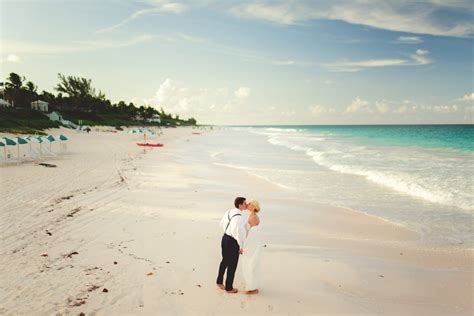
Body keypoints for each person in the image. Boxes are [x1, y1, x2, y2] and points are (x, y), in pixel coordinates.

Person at [216, 197, 247, 293]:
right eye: (245, 203)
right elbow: (237, 232)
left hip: (224, 238)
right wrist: (241, 246)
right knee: (232, 265)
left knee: (224, 261)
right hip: (232, 242)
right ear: (240, 204)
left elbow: (222, 223)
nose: (246, 204)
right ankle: (229, 288)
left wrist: (227, 233)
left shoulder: (229, 211)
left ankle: (219, 281)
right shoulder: (239, 217)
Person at [241, 200, 262, 294]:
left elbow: (251, 234)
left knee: (249, 263)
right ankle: (251, 285)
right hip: (250, 243)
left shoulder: (253, 217)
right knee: (249, 263)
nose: (247, 205)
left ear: (253, 207)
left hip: (251, 244)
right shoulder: (251, 216)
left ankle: (251, 287)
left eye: (249, 204)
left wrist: (243, 246)